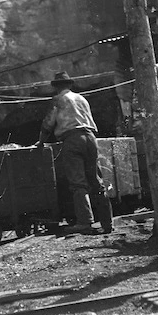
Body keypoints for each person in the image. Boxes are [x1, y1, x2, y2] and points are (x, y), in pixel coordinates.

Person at [36, 71, 114, 235]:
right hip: (91, 138)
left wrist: (41, 141)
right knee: (97, 181)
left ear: (56, 87)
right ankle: (108, 223)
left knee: (78, 183)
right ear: (70, 85)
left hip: (72, 139)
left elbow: (48, 123)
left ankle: (85, 222)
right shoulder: (82, 99)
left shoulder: (58, 100)